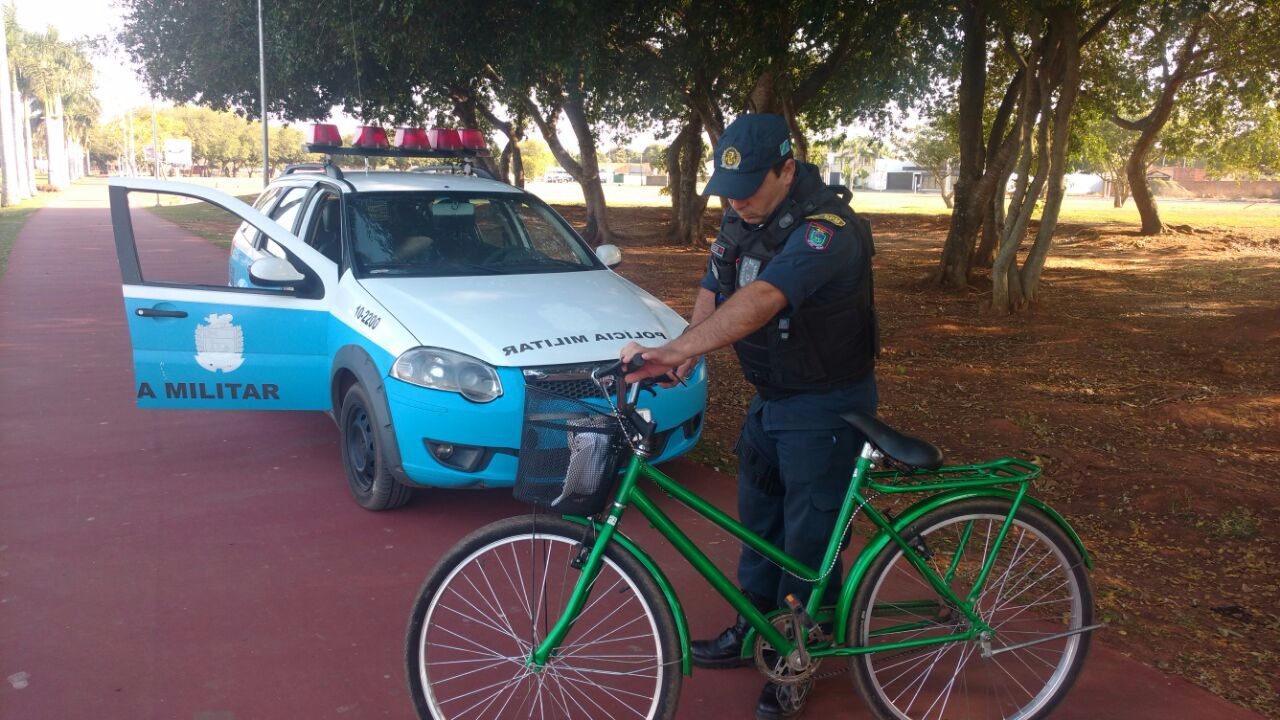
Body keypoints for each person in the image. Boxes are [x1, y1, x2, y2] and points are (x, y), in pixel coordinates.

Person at [620, 113, 879, 720]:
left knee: (807, 537)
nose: (735, 201)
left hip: (827, 405)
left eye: (749, 187)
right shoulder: (742, 216)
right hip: (773, 401)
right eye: (728, 189)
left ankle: (798, 652)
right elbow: (716, 284)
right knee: (757, 523)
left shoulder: (827, 231)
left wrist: (679, 350)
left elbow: (763, 298)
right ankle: (754, 624)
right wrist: (685, 350)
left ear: (787, 169)